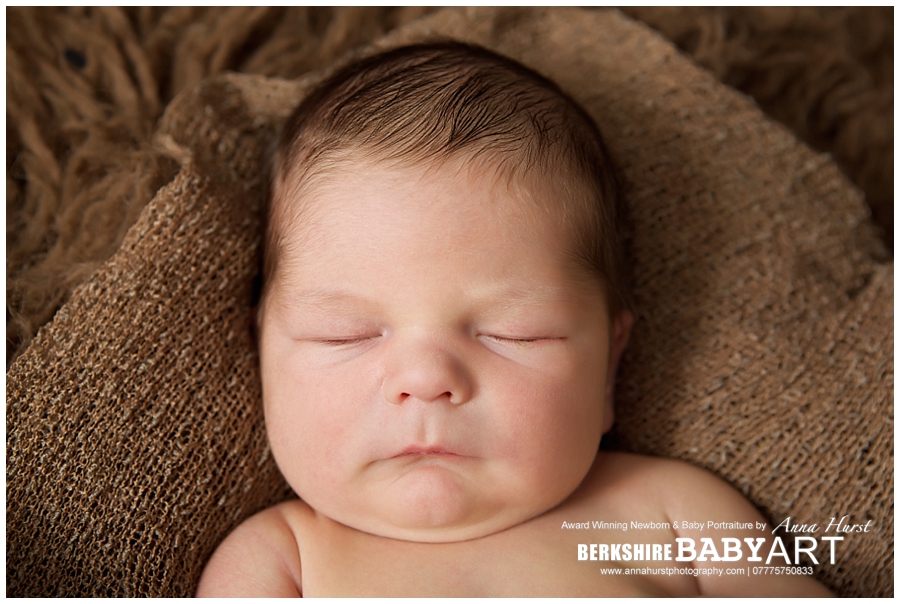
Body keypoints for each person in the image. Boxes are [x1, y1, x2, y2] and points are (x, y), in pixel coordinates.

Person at [196, 42, 832, 597]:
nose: (425, 379)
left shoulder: (673, 516)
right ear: (262, 356)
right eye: (346, 333)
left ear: (609, 369)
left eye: (513, 332)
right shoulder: (283, 560)